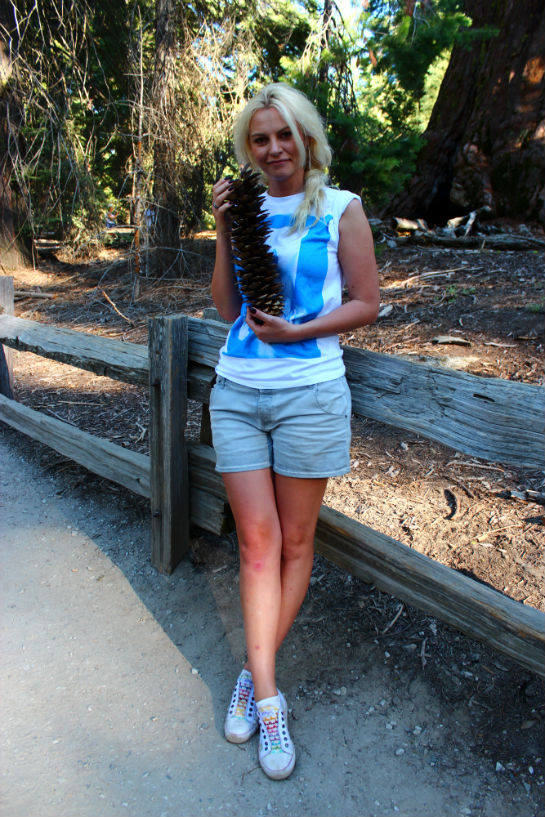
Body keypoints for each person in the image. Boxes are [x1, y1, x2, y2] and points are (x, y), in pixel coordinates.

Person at [210, 83, 379, 780]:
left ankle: (253, 676)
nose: (274, 148)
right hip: (236, 391)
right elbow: (227, 306)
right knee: (257, 543)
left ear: (306, 138)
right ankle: (269, 696)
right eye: (260, 138)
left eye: (285, 134)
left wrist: (298, 331)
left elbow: (367, 303)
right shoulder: (243, 209)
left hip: (309, 394)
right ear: (248, 149)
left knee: (296, 542)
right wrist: (222, 229)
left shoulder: (340, 208)